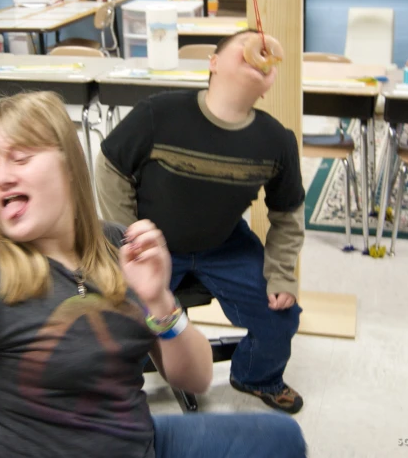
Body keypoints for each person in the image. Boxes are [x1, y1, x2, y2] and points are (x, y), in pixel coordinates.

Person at [0, 91, 307, 458]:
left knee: (282, 440)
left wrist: (159, 301)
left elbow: (194, 379)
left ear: (69, 165)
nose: (1, 176)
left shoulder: (121, 247)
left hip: (139, 443)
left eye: (21, 157)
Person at [96, 30, 306, 414]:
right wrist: (127, 240)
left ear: (268, 84)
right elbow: (111, 167)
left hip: (225, 244)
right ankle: (124, 385)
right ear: (213, 62)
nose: (259, 53)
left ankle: (257, 376)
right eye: (245, 46)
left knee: (282, 314)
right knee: (111, 318)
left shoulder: (277, 141)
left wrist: (281, 273)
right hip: (152, 242)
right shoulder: (158, 114)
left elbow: (287, 214)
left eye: (269, 62)